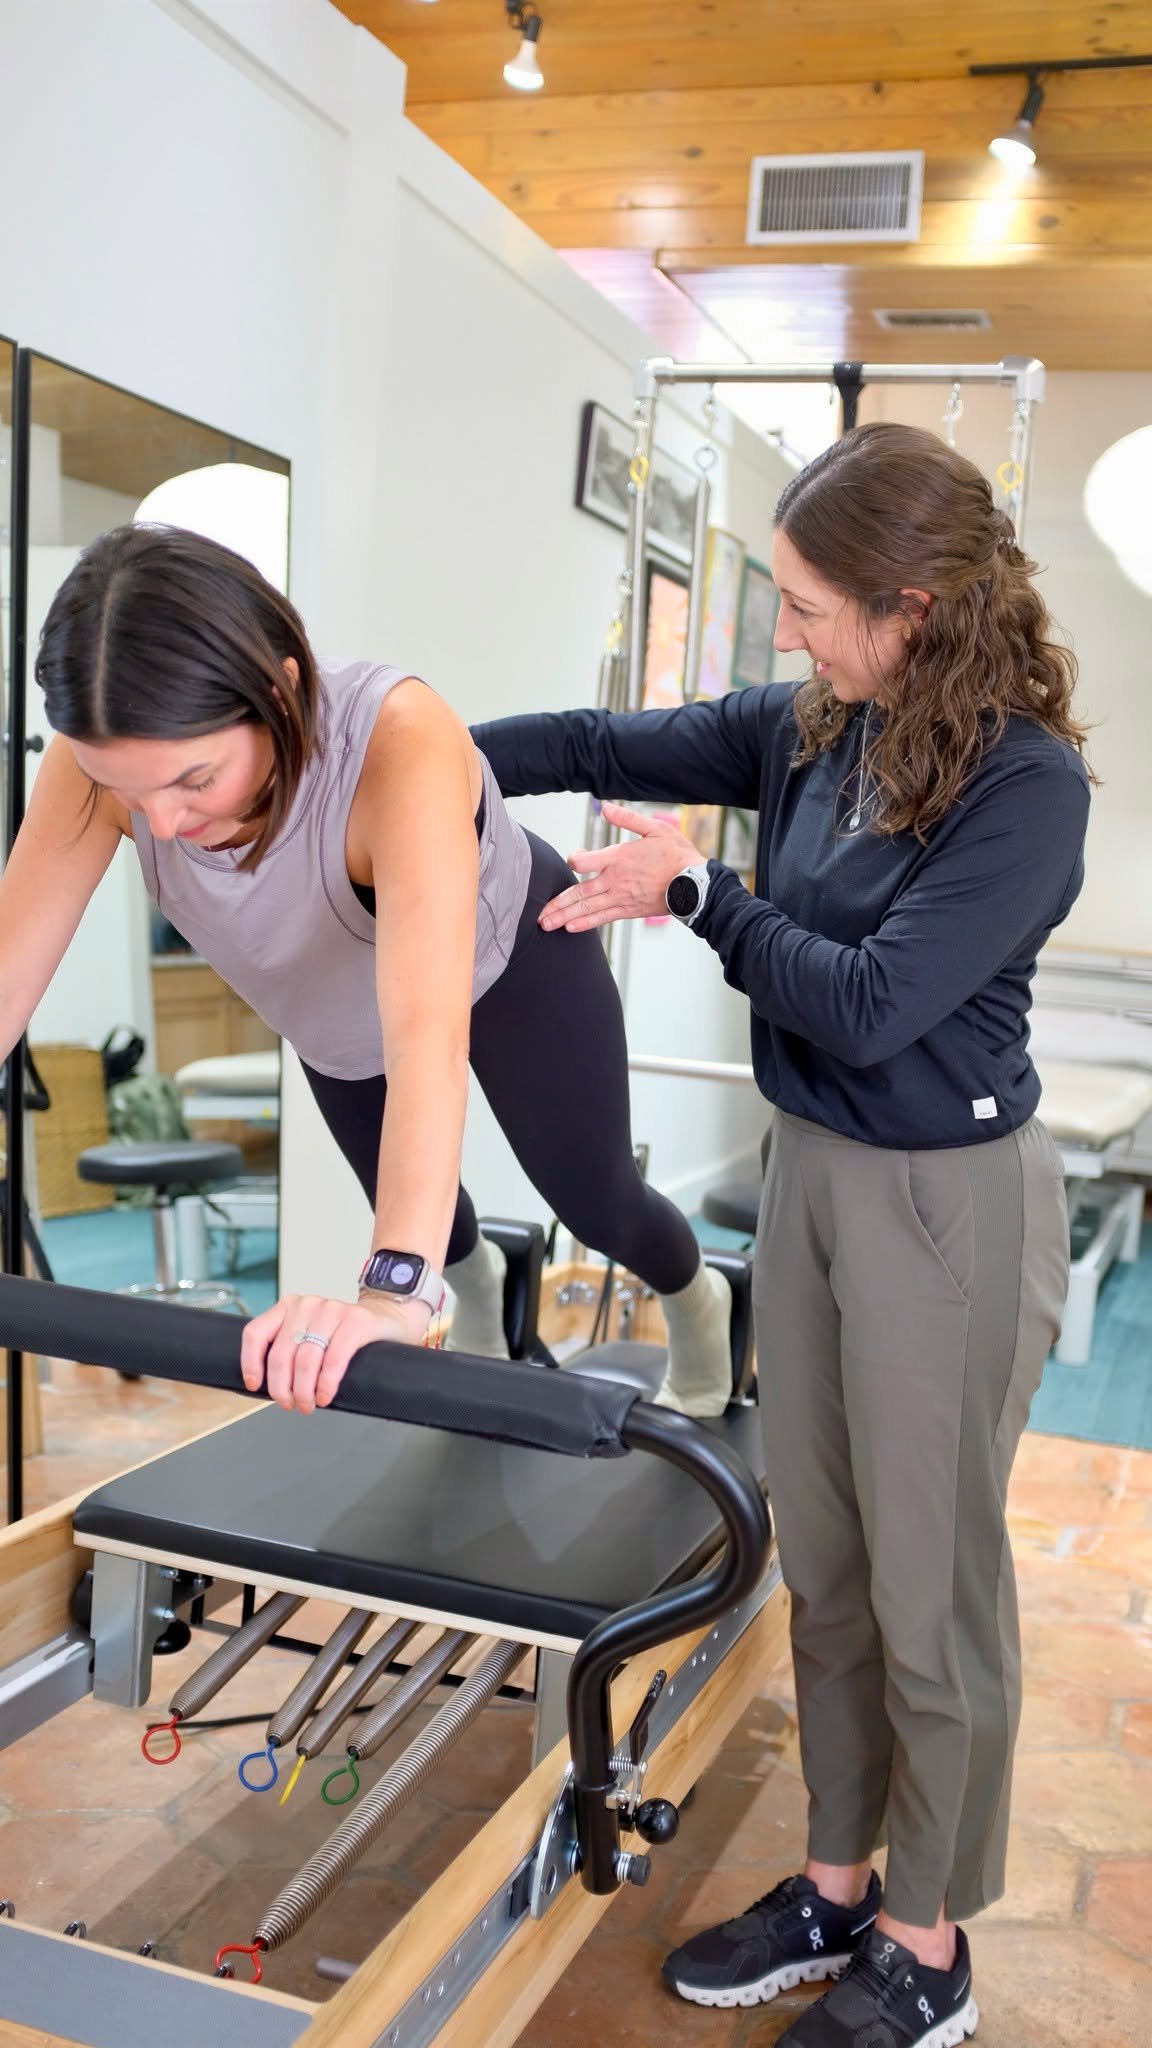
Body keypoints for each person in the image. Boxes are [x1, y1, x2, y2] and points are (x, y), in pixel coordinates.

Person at [471, 421, 1092, 2048]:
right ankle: (833, 1877)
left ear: (917, 603)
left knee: (926, 1582)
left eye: (813, 605)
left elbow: (878, 1006)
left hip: (944, 1201)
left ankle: (927, 1937)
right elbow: (603, 733)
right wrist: (402, 751)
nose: (786, 633)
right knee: (821, 1560)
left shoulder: (1025, 783)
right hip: (813, 1172)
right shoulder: (817, 725)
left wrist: (693, 899)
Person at [1, 523, 734, 1416]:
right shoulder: (95, 769)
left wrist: (390, 1296)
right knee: (440, 1228)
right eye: (127, 789)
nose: (159, 824)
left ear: (280, 690)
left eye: (194, 779)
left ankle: (702, 1299)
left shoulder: (396, 738)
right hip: (331, 1007)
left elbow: (426, 1033)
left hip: (508, 957)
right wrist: (411, 1264)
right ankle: (482, 1285)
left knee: (600, 1206)